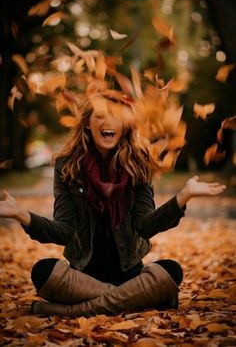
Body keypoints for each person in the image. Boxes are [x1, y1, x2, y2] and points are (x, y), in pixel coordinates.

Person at [0, 96, 226, 318]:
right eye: (100, 116)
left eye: (116, 116)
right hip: (82, 279)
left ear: (125, 124)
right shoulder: (67, 166)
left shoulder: (139, 163)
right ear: (88, 124)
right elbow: (65, 231)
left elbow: (145, 226)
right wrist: (21, 214)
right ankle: (140, 300)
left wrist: (183, 197)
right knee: (42, 271)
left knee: (171, 270)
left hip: (130, 276)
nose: (108, 122)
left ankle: (71, 310)